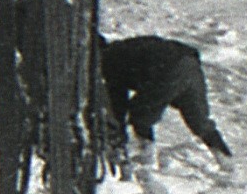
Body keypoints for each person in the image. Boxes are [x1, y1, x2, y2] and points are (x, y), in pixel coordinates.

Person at [99, 34, 233, 163]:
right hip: (190, 64)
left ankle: (146, 156)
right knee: (199, 121)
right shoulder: (125, 47)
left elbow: (117, 104)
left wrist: (118, 138)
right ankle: (226, 161)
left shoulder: (109, 61)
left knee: (141, 113)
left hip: (167, 68)